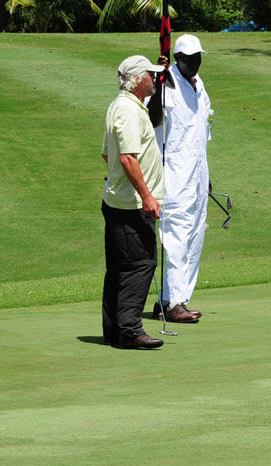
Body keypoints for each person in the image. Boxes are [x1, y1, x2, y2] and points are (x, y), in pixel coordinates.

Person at [101, 55, 166, 349]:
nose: (153, 79)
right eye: (150, 75)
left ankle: (115, 330)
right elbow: (127, 157)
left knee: (119, 267)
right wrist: (147, 195)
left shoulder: (122, 106)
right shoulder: (128, 110)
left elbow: (108, 155)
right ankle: (129, 330)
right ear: (139, 79)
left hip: (121, 202)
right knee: (139, 265)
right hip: (132, 206)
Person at [147, 34, 212, 324]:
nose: (195, 63)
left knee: (195, 234)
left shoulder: (199, 86)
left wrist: (207, 175)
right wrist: (159, 82)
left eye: (198, 57)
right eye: (189, 59)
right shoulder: (165, 85)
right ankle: (173, 302)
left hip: (198, 172)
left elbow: (201, 133)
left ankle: (176, 298)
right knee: (176, 234)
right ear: (177, 59)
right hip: (173, 173)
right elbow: (153, 119)